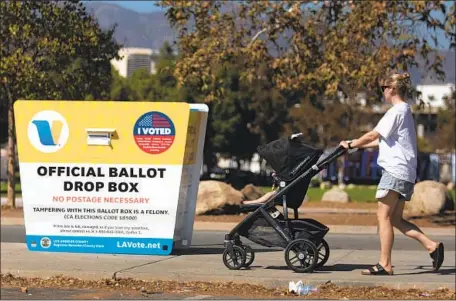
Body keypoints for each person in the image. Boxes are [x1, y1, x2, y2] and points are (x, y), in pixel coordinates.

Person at [339, 72, 444, 276]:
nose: (383, 92)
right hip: (405, 172)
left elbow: (373, 134)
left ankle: (384, 264)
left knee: (383, 217)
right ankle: (432, 246)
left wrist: (350, 143)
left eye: (383, 88)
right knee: (395, 219)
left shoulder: (397, 111)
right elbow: (380, 141)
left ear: (393, 89)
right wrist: (354, 148)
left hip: (395, 171)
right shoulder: (405, 111)